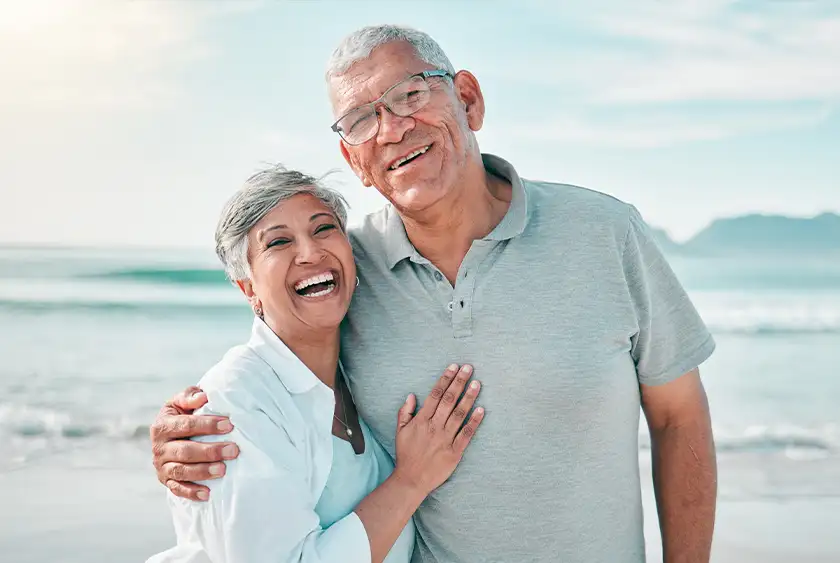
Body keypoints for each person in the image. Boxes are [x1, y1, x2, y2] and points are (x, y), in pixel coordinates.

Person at [150, 25, 718, 563]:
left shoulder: (605, 232)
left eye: (409, 94)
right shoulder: (349, 268)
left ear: (468, 100)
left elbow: (679, 418)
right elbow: (279, 359)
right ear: (355, 161)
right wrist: (188, 431)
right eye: (361, 120)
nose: (393, 128)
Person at [147, 166, 485, 563]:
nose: (310, 253)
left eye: (323, 229)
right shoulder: (236, 401)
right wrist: (411, 482)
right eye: (278, 242)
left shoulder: (360, 369)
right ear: (248, 288)